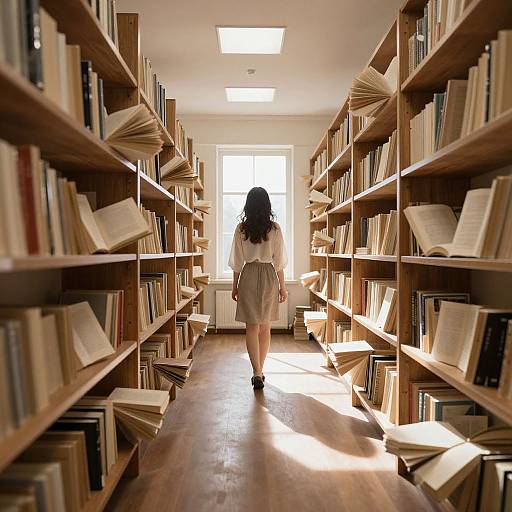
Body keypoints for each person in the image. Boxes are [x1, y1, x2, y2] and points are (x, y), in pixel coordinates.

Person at [228, 187, 288, 390]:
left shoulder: (241, 229)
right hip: (270, 275)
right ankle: (259, 371)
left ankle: (256, 371)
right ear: (267, 205)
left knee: (251, 327)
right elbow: (279, 262)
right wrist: (283, 288)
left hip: (248, 275)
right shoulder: (275, 228)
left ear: (248, 205)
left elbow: (237, 261)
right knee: (265, 327)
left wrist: (234, 286)